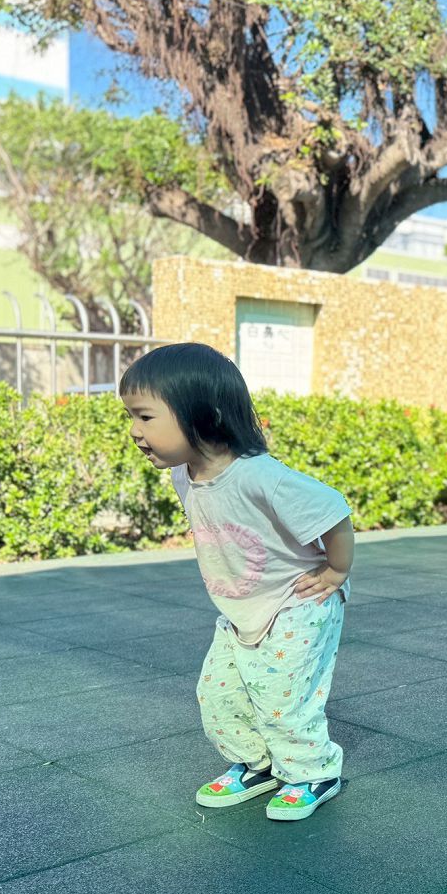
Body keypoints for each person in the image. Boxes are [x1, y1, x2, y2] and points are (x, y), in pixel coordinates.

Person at [119, 343, 354, 821]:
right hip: (242, 608)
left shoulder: (259, 476)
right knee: (218, 693)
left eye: (145, 417)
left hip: (296, 603)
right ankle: (257, 763)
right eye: (131, 418)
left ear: (205, 415)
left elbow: (332, 509)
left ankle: (313, 771)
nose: (135, 431)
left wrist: (336, 571)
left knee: (283, 697)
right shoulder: (184, 475)